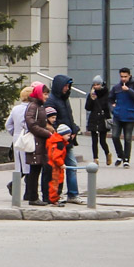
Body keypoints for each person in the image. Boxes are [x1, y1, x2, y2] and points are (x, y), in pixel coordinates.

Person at [44, 74, 83, 204]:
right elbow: (51, 120)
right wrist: (62, 132)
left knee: (70, 166)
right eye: (65, 85)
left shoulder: (64, 99)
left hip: (68, 138)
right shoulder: (52, 100)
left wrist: (74, 129)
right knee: (64, 167)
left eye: (68, 86)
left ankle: (70, 193)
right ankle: (64, 194)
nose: (67, 88)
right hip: (59, 140)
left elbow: (69, 117)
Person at [5, 85, 37, 202]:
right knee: (30, 166)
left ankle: (17, 188)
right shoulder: (32, 109)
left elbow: (8, 125)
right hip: (29, 139)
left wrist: (15, 134)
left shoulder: (16, 109)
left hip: (18, 140)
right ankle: (27, 192)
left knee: (20, 166)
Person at [24, 82, 54, 206]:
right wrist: (46, 133)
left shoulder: (39, 106)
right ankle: (33, 197)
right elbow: (32, 124)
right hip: (36, 142)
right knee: (34, 171)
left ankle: (33, 196)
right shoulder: (34, 106)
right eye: (45, 94)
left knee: (36, 170)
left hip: (40, 142)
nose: (47, 97)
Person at [109, 67, 134, 168]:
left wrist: (129, 90)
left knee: (127, 138)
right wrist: (113, 108)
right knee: (115, 136)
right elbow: (110, 99)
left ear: (129, 76)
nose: (123, 79)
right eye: (121, 77)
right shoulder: (116, 88)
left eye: (125, 76)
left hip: (129, 115)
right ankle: (120, 155)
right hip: (118, 115)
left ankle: (126, 159)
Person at [84, 75, 113, 165]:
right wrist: (91, 98)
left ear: (101, 84)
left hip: (102, 119)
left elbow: (105, 106)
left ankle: (108, 154)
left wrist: (96, 99)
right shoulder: (91, 94)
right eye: (94, 85)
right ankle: (95, 159)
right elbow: (88, 107)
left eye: (98, 84)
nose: (96, 86)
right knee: (94, 140)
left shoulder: (106, 94)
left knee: (102, 140)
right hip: (93, 119)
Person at [44, 111, 69, 207]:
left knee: (50, 182)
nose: (69, 137)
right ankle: (53, 199)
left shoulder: (54, 140)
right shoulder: (59, 143)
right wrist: (61, 164)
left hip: (50, 164)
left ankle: (51, 198)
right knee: (55, 182)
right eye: (68, 135)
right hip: (55, 166)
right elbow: (56, 156)